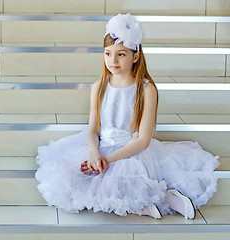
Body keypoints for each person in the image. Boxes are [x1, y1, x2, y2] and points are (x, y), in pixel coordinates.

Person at [35, 13, 220, 219]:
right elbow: (93, 129)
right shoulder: (99, 87)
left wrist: (108, 160)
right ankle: (142, 205)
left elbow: (143, 140)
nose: (112, 60)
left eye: (121, 54)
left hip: (131, 150)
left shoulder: (146, 89)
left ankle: (166, 197)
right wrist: (94, 154)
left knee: (116, 181)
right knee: (73, 177)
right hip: (103, 147)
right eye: (107, 54)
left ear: (135, 56)